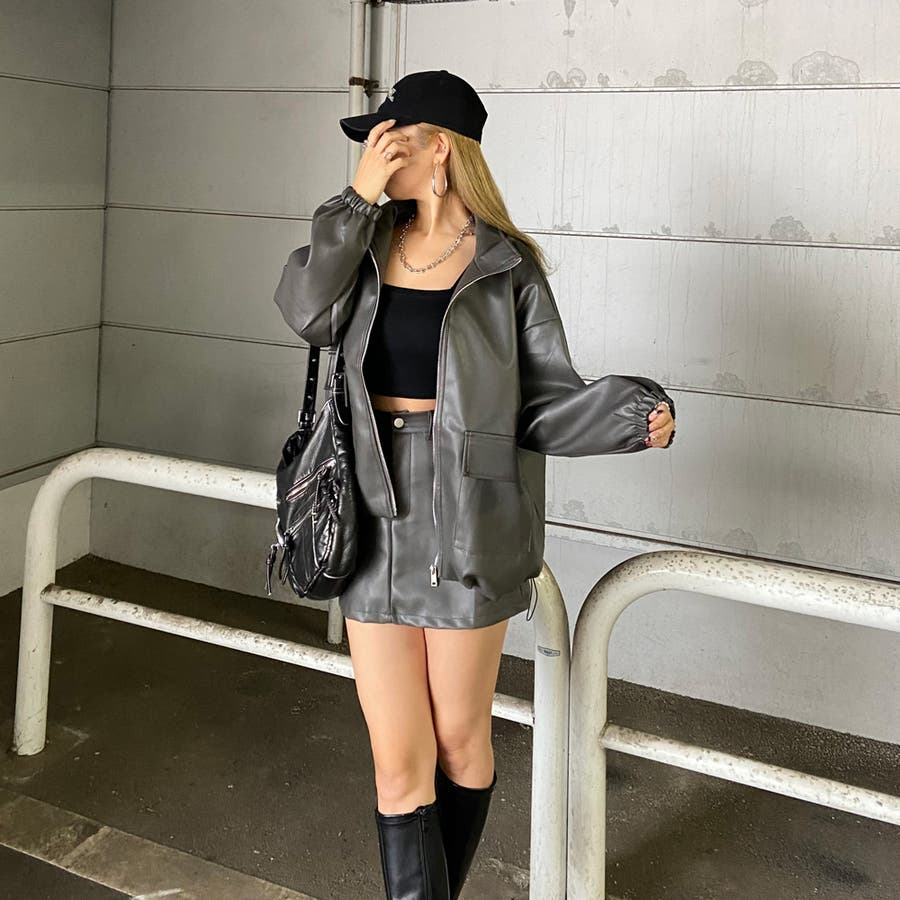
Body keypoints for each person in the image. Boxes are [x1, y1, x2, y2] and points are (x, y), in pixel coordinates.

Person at [274, 69, 676, 900]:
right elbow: (307, 312)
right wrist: (354, 201)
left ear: (440, 150)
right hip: (369, 509)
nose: (376, 157)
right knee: (398, 762)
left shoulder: (506, 268)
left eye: (390, 142)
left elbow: (544, 403)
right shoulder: (361, 246)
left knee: (459, 741)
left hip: (470, 514)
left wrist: (631, 417)